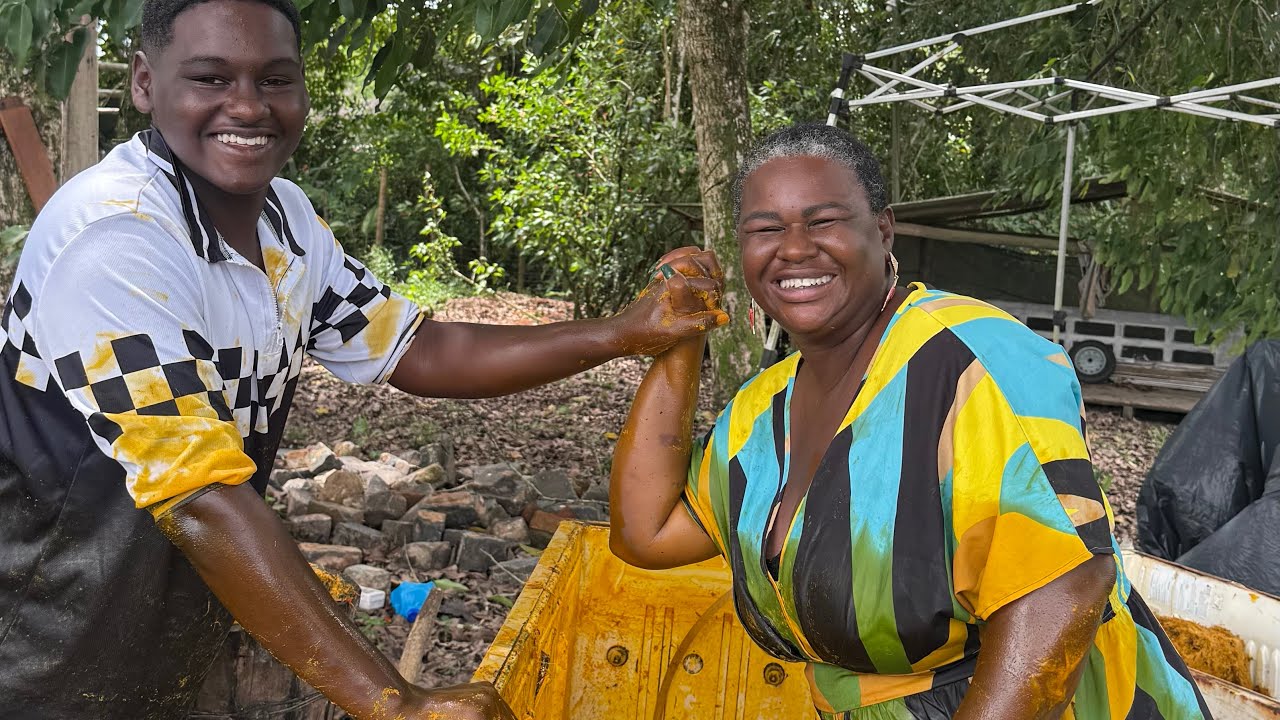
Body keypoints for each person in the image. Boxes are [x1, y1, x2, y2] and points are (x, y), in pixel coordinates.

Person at [0, 0, 726, 717]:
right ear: (144, 83)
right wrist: (397, 703)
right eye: (212, 79)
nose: (248, 107)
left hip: (153, 623)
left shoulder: (284, 222)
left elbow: (422, 348)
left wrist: (627, 335)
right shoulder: (117, 237)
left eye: (276, 79)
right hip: (40, 641)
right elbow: (200, 500)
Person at [608, 123, 1212, 719]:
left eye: (824, 221)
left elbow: (1061, 591)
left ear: (883, 229)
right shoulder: (761, 415)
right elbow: (647, 531)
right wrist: (678, 339)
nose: (793, 248)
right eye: (765, 229)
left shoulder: (970, 360)